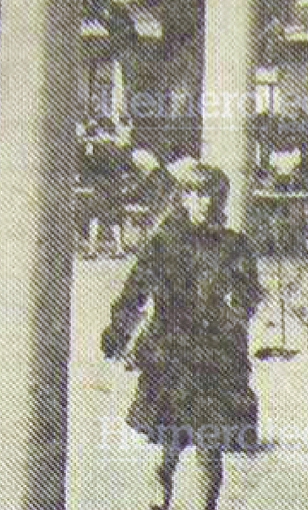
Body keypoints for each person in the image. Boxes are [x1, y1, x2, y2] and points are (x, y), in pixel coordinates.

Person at [101, 160, 262, 510]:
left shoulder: (235, 246)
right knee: (166, 448)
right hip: (171, 354)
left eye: (210, 194)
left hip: (216, 357)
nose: (203, 202)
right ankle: (159, 503)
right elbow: (135, 289)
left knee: (210, 448)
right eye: (194, 193)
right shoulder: (164, 243)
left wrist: (232, 317)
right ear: (184, 199)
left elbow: (251, 294)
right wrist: (119, 330)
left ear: (221, 200)